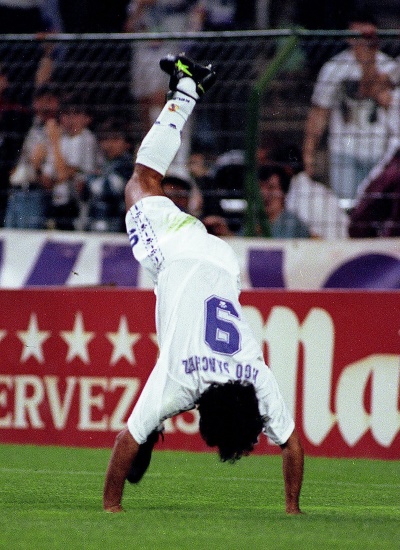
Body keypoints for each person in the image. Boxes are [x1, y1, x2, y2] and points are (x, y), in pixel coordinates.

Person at [103, 53, 304, 515]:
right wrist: (110, 508)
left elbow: (292, 447)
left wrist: (295, 506)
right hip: (181, 258)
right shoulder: (181, 382)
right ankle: (189, 87)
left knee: (149, 416)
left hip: (221, 262)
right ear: (201, 413)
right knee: (141, 181)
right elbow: (121, 443)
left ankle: (155, 428)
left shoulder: (257, 378)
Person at [302, 9, 397, 207]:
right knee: (344, 206)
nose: (361, 41)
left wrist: (367, 61)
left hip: (379, 150)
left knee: (374, 209)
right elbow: (320, 111)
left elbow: (374, 92)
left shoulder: (389, 67)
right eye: (357, 36)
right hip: (343, 150)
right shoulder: (333, 68)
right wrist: (308, 152)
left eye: (367, 37)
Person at [36, 98, 102, 230]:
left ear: (87, 119)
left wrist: (54, 142)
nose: (70, 120)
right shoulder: (63, 139)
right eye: (66, 114)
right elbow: (47, 180)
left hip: (80, 204)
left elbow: (64, 174)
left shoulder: (87, 138)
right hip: (57, 202)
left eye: (76, 114)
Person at [4, 84, 60, 229]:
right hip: (16, 191)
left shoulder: (58, 128)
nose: (43, 106)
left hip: (35, 192)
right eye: (39, 101)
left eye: (48, 100)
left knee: (26, 240)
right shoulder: (31, 125)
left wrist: (36, 167)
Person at [84, 121, 132, 232]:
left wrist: (91, 179)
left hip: (117, 226)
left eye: (115, 139)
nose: (109, 144)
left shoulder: (127, 165)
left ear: (127, 144)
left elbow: (108, 189)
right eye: (105, 139)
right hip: (96, 224)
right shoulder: (103, 163)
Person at [258, 164, 312, 238]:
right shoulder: (255, 220)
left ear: (284, 193)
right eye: (260, 187)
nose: (264, 193)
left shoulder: (291, 224)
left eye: (271, 188)